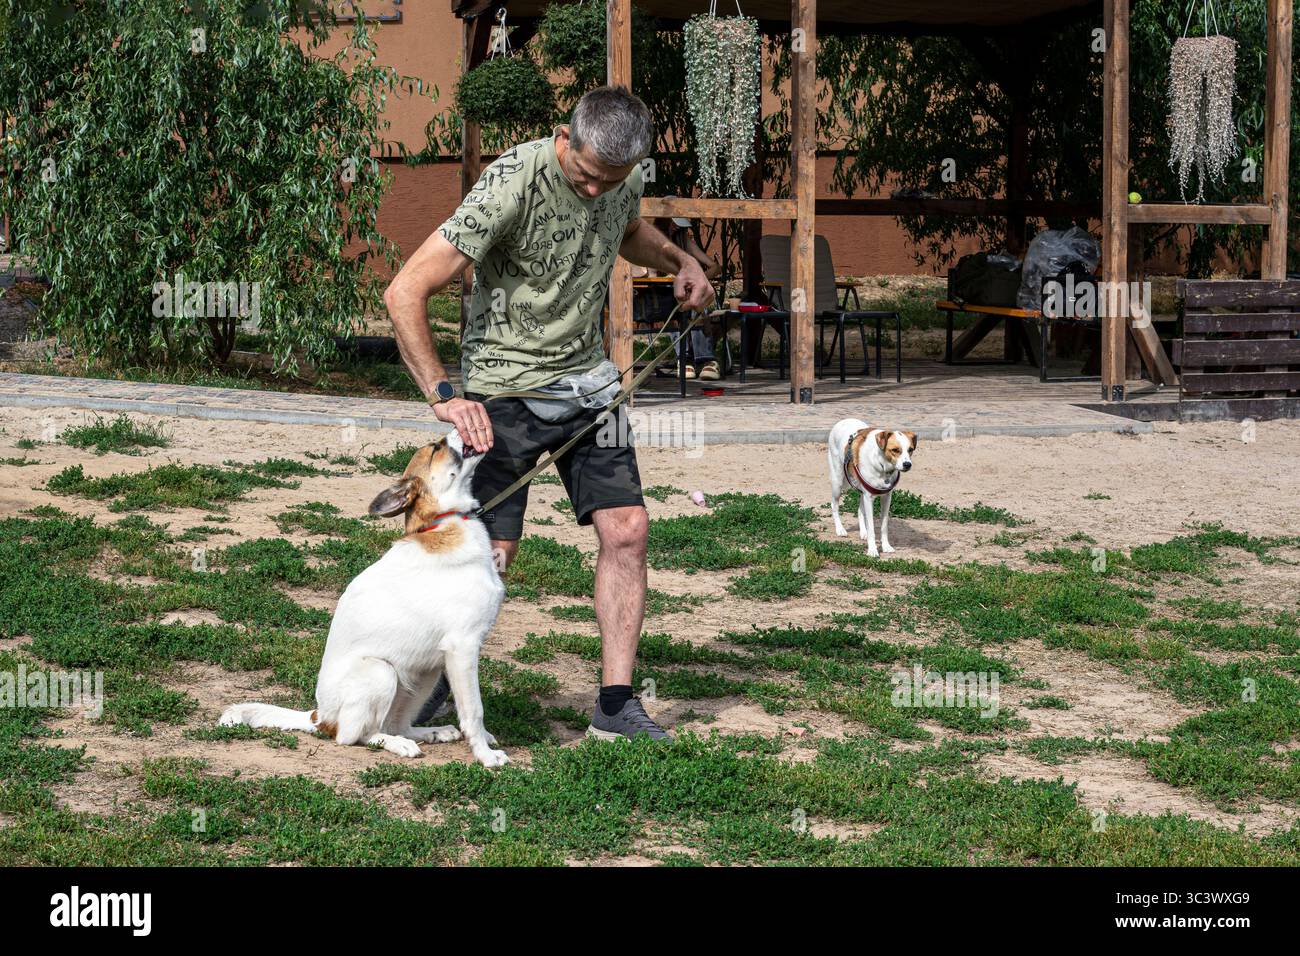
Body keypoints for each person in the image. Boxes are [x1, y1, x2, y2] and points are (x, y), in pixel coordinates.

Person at [383, 86, 715, 741]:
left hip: (590, 389)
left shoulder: (621, 179)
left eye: (610, 181)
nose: (595, 191)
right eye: (586, 175)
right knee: (491, 551)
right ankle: (431, 690)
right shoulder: (511, 183)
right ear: (565, 138)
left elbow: (626, 229)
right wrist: (447, 396)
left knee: (628, 532)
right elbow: (405, 290)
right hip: (500, 392)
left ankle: (616, 708)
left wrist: (680, 259)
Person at [631, 209, 723, 381]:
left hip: (683, 291)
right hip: (659, 294)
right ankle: (686, 358)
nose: (675, 228)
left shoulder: (682, 239)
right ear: (664, 221)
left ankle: (704, 359)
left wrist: (697, 277)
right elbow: (651, 277)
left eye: (678, 225)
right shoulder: (652, 239)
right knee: (680, 302)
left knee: (694, 300)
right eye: (672, 224)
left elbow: (715, 267)